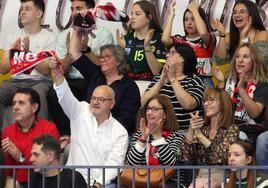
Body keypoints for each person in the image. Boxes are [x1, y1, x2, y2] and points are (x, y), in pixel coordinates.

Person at [49, 57, 129, 188]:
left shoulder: (120, 132)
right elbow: (64, 96)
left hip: (99, 182)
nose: (95, 102)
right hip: (72, 179)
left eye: (101, 99)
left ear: (112, 104)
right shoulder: (81, 110)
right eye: (93, 98)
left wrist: (98, 184)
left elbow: (114, 164)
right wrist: (57, 75)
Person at [47, 0, 114, 136]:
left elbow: (104, 65)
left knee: (94, 96)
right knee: (53, 95)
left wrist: (85, 50)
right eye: (72, 9)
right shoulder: (64, 35)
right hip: (71, 79)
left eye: (79, 8)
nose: (74, 13)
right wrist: (69, 55)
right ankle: (66, 135)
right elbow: (60, 71)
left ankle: (89, 135)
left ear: (90, 11)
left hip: (94, 79)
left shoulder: (104, 34)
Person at [68, 30, 141, 135]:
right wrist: (77, 28)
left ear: (118, 61)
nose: (102, 60)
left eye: (107, 57)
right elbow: (74, 53)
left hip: (114, 135)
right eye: (101, 57)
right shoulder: (95, 74)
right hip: (87, 130)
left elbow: (125, 121)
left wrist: (101, 133)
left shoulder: (129, 86)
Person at [0, 0, 56, 129]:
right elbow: (3, 70)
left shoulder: (49, 37)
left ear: (39, 13)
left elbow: (46, 70)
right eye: (21, 9)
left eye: (27, 9)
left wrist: (28, 54)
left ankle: (40, 139)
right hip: (14, 82)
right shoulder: (12, 36)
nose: (22, 12)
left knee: (37, 96)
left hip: (39, 82)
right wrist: (13, 52)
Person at [181, 88, 239, 188]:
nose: (206, 104)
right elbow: (185, 157)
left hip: (223, 178)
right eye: (205, 101)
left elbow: (221, 156)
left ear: (223, 104)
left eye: (211, 100)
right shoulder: (204, 129)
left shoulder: (232, 129)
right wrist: (191, 131)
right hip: (200, 177)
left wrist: (200, 136)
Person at [1, 88, 59, 188]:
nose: (15, 107)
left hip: (42, 180)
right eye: (14, 103)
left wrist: (20, 157)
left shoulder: (48, 128)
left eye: (21, 103)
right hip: (15, 181)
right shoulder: (7, 131)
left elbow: (48, 163)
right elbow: (8, 170)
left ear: (34, 107)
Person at [142, 43, 204, 131]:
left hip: (183, 132)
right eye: (168, 52)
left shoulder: (194, 80)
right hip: (156, 130)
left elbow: (188, 104)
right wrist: (161, 81)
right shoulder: (159, 78)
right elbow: (143, 102)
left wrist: (173, 79)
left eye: (172, 52)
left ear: (183, 58)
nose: (167, 55)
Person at [126, 95, 186, 187]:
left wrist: (157, 136)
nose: (149, 112)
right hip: (141, 181)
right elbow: (131, 162)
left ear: (165, 114)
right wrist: (143, 138)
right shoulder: (140, 134)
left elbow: (171, 163)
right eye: (148, 109)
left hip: (168, 183)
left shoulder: (176, 136)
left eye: (154, 109)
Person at [213, 43, 268, 143]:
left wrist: (241, 89)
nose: (240, 60)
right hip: (227, 126)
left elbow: (254, 113)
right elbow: (218, 109)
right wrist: (221, 84)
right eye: (238, 56)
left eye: (245, 57)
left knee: (238, 135)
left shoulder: (262, 84)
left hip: (250, 130)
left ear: (254, 61)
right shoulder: (228, 80)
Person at [116, 0, 166, 95]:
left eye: (137, 14)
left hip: (150, 84)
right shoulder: (127, 38)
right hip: (128, 83)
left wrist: (146, 46)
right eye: (131, 14)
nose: (132, 17)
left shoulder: (158, 38)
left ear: (148, 18)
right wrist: (123, 49)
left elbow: (156, 71)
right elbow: (120, 70)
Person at [162, 0, 216, 88]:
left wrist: (195, 10)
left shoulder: (207, 39)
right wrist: (171, 15)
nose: (189, 23)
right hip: (184, 78)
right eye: (186, 19)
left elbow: (203, 33)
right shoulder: (180, 40)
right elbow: (165, 39)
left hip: (204, 79)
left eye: (193, 19)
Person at [213, 0, 268, 66]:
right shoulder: (228, 36)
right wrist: (222, 35)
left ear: (251, 16)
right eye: (234, 13)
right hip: (232, 75)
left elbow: (261, 63)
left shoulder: (262, 35)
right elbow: (220, 63)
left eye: (242, 12)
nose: (237, 15)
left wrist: (243, 38)